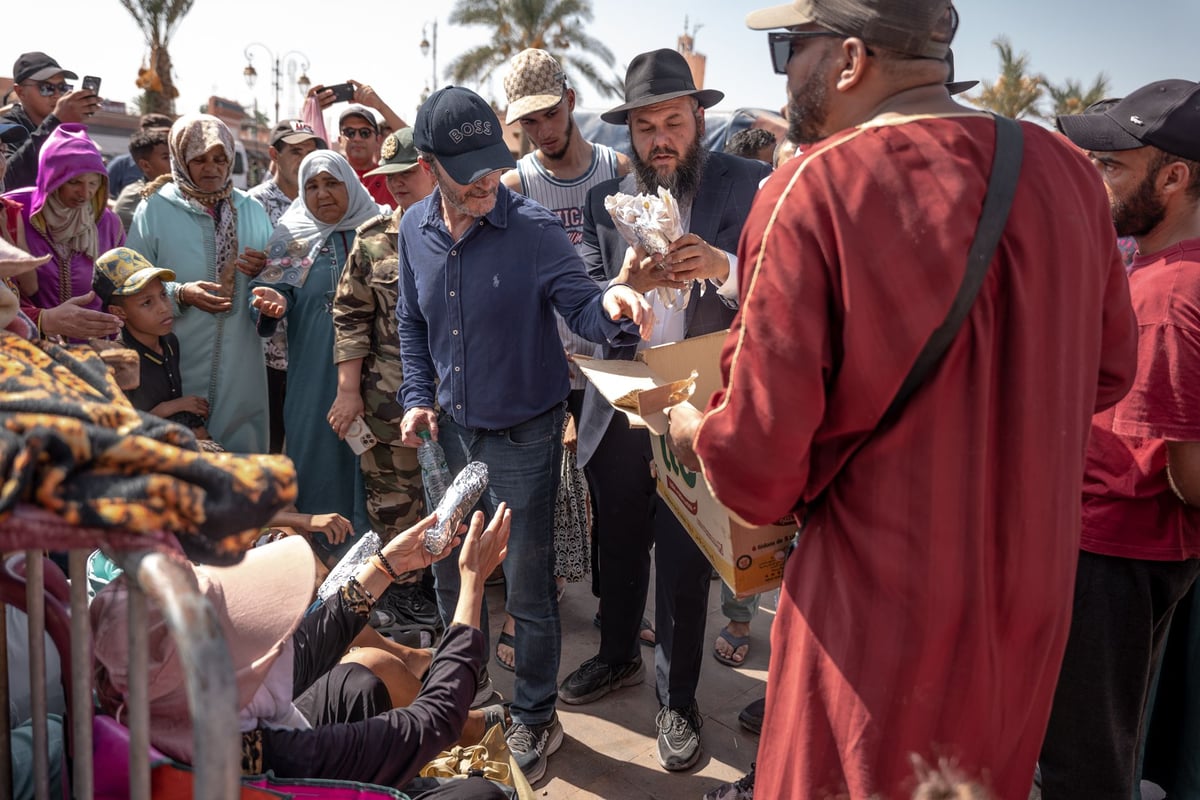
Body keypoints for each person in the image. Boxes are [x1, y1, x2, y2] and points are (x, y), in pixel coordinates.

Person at [666, 0, 1139, 797]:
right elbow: (1109, 373)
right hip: (1028, 593)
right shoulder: (1066, 174)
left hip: (877, 616)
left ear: (850, 60)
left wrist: (688, 431)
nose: (784, 73)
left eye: (791, 47)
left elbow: (755, 471)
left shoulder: (809, 188)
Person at [396, 85, 652, 784]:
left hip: (525, 438)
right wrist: (418, 397)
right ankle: (466, 700)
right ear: (429, 165)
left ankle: (537, 717)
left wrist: (618, 305)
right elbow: (410, 326)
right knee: (452, 575)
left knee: (529, 589)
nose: (486, 180)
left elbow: (585, 303)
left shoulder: (534, 229)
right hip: (446, 438)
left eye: (492, 162)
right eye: (466, 168)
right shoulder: (412, 227)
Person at [558, 48, 770, 774]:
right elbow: (586, 303)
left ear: (699, 119)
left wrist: (725, 268)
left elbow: (783, 291)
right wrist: (622, 288)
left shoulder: (751, 185)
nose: (659, 139)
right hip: (620, 406)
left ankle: (677, 700)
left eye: (672, 122)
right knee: (617, 547)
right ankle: (616, 654)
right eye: (644, 127)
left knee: (684, 559)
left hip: (700, 408)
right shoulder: (603, 200)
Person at [92, 502, 516, 799]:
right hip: (288, 784)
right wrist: (472, 588)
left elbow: (307, 646)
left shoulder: (163, 707)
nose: (265, 643)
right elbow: (433, 719)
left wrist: (388, 565)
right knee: (480, 795)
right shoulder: (268, 757)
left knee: (357, 682)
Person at [1039, 79, 1200, 799]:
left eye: (1114, 167)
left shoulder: (1168, 295)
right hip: (1120, 550)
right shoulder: (1155, 268)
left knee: (1085, 757)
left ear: (1174, 177)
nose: (1097, 181)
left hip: (1114, 557)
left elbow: (1189, 477)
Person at [495, 47, 635, 671]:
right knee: (545, 494)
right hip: (547, 376)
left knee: (616, 494)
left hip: (613, 367)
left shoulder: (617, 169)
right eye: (529, 122)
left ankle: (618, 605)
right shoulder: (516, 186)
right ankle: (539, 602)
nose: (543, 130)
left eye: (550, 114)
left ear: (571, 102)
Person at [251, 149, 385, 558]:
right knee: (319, 464)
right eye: (312, 185)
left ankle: (383, 572)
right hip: (315, 382)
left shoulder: (380, 229)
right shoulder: (292, 237)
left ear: (351, 182)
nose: (322, 194)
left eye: (331, 183)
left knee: (378, 473)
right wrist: (272, 301)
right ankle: (325, 574)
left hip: (379, 376)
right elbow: (276, 295)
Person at [126, 114, 274, 453]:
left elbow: (278, 279)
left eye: (220, 159)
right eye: (200, 159)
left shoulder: (250, 208)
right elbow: (130, 283)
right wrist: (179, 294)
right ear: (181, 159)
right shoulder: (156, 208)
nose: (212, 168)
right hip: (176, 359)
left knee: (244, 461)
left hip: (242, 363)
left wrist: (265, 271)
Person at [331, 128, 434, 544]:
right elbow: (351, 317)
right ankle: (404, 592)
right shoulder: (373, 240)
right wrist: (348, 391)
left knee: (462, 503)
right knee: (395, 505)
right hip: (390, 401)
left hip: (461, 400)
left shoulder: (467, 230)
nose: (397, 183)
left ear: (432, 169)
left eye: (407, 171)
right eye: (390, 175)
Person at [247, 119, 328, 454]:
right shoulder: (251, 205)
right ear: (273, 155)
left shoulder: (327, 205)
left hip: (314, 350)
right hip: (264, 352)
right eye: (296, 151)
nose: (304, 159)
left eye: (311, 151)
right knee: (270, 448)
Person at [2, 123, 125, 340]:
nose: (85, 193)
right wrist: (44, 321)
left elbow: (122, 288)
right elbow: (23, 290)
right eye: (74, 182)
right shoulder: (16, 210)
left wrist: (115, 337)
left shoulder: (108, 223)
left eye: (94, 183)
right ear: (52, 179)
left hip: (95, 347)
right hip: (35, 345)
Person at [1, 52, 100, 192]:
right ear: (20, 91)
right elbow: (8, 182)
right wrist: (56, 120)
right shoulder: (6, 129)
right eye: (46, 88)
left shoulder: (65, 131)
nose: (57, 95)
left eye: (63, 88)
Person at [112, 126, 171, 231]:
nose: (174, 162)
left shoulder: (173, 189)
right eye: (166, 158)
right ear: (145, 165)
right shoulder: (137, 197)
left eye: (174, 156)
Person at [337, 103, 396, 207]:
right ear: (339, 140)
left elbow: (412, 143)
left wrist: (379, 105)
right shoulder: (332, 178)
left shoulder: (392, 178)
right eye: (349, 132)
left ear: (378, 140)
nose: (357, 138)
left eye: (365, 132)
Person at [106, 113, 174, 199]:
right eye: (155, 133)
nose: (162, 137)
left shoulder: (181, 163)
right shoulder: (121, 164)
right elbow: (103, 196)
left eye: (168, 134)